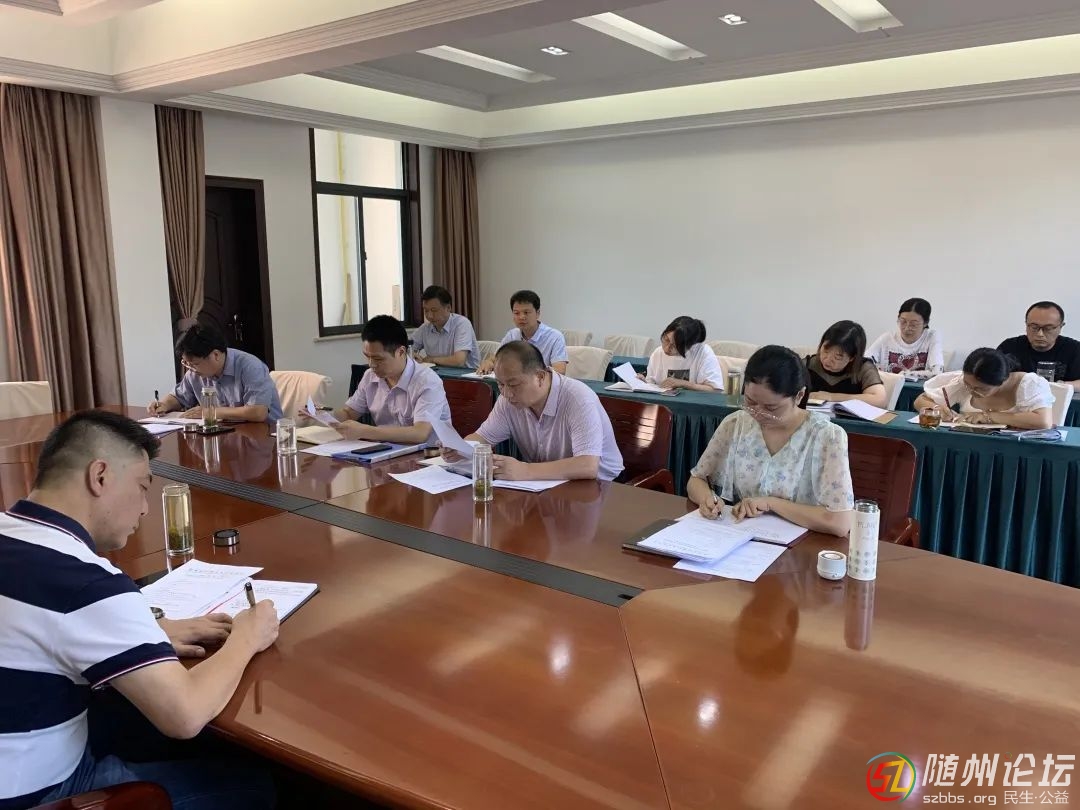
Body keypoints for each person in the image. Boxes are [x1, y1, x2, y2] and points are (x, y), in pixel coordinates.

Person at [0, 410, 278, 809]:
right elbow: (184, 715)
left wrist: (149, 633)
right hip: (37, 794)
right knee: (259, 785)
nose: (145, 508)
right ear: (100, 476)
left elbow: (32, 629)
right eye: (142, 486)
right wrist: (248, 636)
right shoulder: (85, 582)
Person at [687, 345, 854, 536]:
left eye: (771, 408)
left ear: (799, 396)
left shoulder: (826, 437)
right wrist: (707, 499)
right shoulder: (736, 424)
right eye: (750, 402)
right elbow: (696, 479)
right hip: (740, 536)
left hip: (804, 544)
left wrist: (770, 504)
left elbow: (840, 523)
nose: (758, 413)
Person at [451, 341, 623, 482]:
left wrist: (525, 470)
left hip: (602, 488)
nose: (506, 393)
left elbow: (587, 466)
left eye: (513, 384)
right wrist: (459, 448)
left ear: (540, 377)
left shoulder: (578, 398)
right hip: (548, 483)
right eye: (500, 384)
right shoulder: (507, 399)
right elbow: (483, 438)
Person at [331, 315, 451, 445]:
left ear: (401, 352)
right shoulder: (370, 376)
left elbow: (420, 433)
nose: (371, 364)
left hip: (428, 454)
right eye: (367, 357)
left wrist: (365, 431)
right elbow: (349, 413)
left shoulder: (427, 382)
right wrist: (322, 416)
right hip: (386, 451)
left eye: (378, 359)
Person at [148, 324, 282, 423]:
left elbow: (258, 412)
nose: (190, 369)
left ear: (215, 355)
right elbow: (179, 397)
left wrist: (210, 412)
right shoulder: (195, 372)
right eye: (186, 363)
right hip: (224, 435)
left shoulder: (250, 367)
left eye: (194, 363)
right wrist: (164, 404)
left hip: (263, 437)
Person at [913, 348, 1054, 429]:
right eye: (968, 385)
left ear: (1002, 380)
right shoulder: (964, 382)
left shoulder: (1028, 384)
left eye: (981, 389)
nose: (972, 391)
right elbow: (920, 401)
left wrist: (988, 417)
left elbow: (1043, 421)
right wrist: (937, 408)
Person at [477, 290, 568, 374]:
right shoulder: (512, 335)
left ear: (538, 313)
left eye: (526, 312)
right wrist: (488, 362)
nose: (521, 317)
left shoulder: (555, 337)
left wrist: (528, 373)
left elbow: (560, 371)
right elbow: (495, 358)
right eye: (516, 313)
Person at [997, 301, 1080, 392]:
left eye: (1048, 328)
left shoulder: (1074, 349)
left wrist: (1060, 385)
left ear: (1061, 326)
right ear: (1026, 324)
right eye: (1034, 327)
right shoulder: (1009, 347)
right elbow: (991, 378)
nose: (1040, 334)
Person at [805, 320, 887, 408]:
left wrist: (831, 397)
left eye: (837, 357)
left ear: (852, 357)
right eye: (826, 350)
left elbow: (880, 400)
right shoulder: (810, 364)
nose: (828, 359)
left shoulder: (863, 368)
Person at [641, 316, 725, 392]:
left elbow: (715, 390)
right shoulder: (658, 353)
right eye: (666, 340)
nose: (667, 348)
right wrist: (642, 383)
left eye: (675, 346)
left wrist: (684, 384)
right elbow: (651, 384)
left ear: (689, 346)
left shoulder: (703, 352)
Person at [867, 297, 945, 377]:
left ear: (925, 323)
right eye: (903, 321)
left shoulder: (931, 337)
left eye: (913, 324)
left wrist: (905, 374)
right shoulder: (888, 338)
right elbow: (864, 361)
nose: (907, 328)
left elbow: (937, 372)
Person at [411, 285, 481, 368]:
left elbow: (459, 361)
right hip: (437, 374)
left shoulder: (462, 324)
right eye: (426, 310)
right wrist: (412, 355)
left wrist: (432, 359)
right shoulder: (425, 328)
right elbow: (406, 347)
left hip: (465, 374)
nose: (429, 316)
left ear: (448, 308)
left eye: (434, 310)